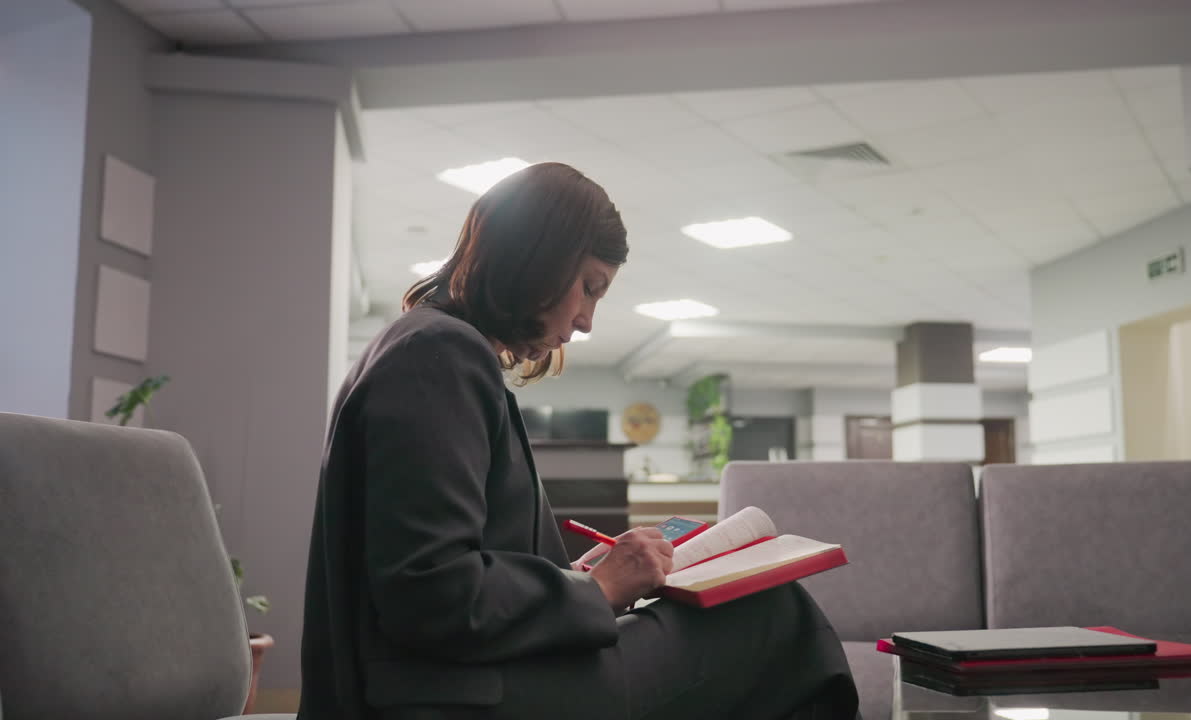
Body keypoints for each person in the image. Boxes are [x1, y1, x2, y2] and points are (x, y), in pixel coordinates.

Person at [298, 162, 859, 720]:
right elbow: (431, 593)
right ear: (536, 261)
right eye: (589, 287)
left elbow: (444, 565)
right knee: (773, 615)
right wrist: (599, 591)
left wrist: (576, 579)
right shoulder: (438, 355)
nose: (588, 321)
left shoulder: (424, 346)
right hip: (458, 696)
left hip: (460, 681)